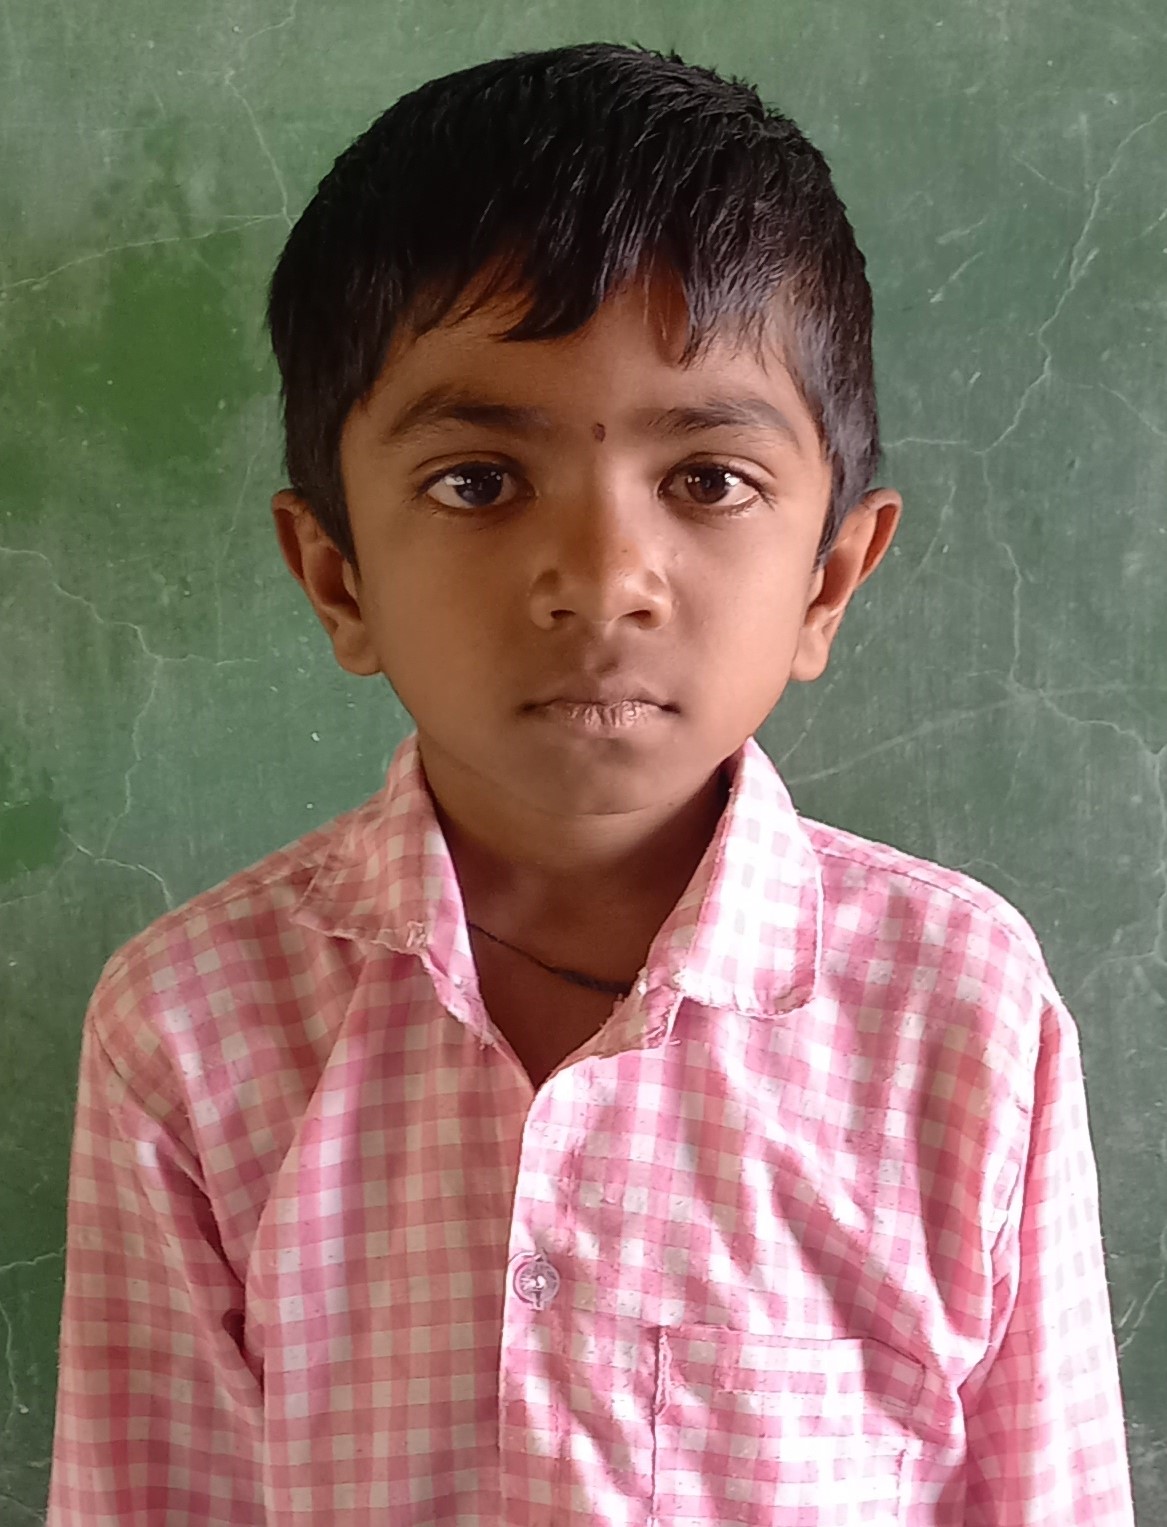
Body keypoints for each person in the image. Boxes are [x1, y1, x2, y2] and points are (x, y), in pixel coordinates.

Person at [47, 42, 1134, 1526]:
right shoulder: (190, 1034)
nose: (604, 576)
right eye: (479, 482)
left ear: (829, 580)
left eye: (708, 481)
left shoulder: (961, 1018)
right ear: (337, 576)